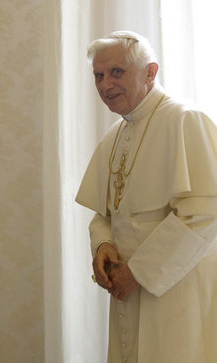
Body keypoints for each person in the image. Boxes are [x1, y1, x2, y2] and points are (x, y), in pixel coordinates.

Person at [76, 30, 217, 362]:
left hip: (176, 289)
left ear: (150, 73)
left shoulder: (186, 120)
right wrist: (102, 245)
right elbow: (104, 213)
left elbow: (203, 213)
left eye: (117, 72)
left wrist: (137, 273)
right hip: (128, 288)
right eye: (99, 75)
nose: (105, 84)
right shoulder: (116, 133)